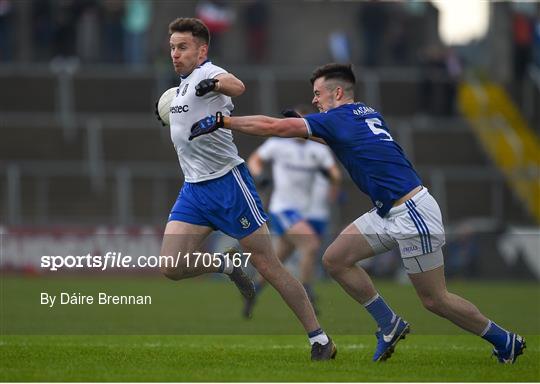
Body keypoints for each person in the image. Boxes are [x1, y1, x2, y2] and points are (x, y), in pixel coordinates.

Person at [189, 63, 526, 364]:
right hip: (388, 211)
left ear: (338, 92)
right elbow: (338, 139)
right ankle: (388, 322)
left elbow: (275, 128)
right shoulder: (366, 112)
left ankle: (504, 340)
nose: (316, 99)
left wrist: (224, 120)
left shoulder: (339, 118)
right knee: (335, 259)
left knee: (435, 300)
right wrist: (309, 124)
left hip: (411, 212)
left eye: (319, 93)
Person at [155, 18, 336, 361]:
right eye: (173, 48)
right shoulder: (178, 88)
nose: (176, 54)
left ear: (202, 50)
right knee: (171, 266)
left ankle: (320, 339)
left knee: (269, 265)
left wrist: (213, 83)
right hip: (193, 190)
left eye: (183, 47)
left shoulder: (210, 73)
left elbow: (236, 86)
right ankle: (227, 266)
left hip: (228, 185)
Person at [245, 125, 341, 318]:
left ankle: (252, 291)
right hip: (283, 209)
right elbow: (254, 160)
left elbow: (335, 173)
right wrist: (260, 175)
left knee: (276, 260)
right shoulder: (277, 144)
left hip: (308, 212)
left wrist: (334, 185)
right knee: (310, 245)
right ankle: (307, 293)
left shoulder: (318, 150)